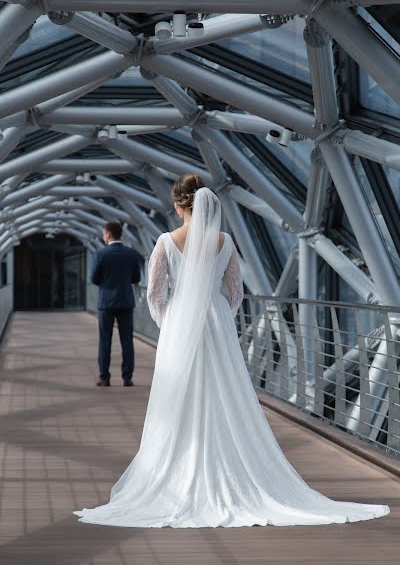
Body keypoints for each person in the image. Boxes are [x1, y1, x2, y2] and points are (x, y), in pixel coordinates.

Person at [74, 175, 390, 528]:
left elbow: (154, 294)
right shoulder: (224, 242)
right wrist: (219, 317)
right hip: (217, 324)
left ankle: (178, 472)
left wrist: (173, 323)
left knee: (180, 397)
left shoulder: (165, 242)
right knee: (224, 394)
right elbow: (235, 291)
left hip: (180, 324)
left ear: (179, 206)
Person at [91, 221, 141, 387]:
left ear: (108, 234)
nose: (103, 237)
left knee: (105, 340)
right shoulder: (131, 254)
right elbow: (137, 278)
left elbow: (94, 279)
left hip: (106, 302)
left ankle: (104, 377)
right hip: (126, 301)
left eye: (104, 234)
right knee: (127, 340)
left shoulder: (101, 254)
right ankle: (127, 377)